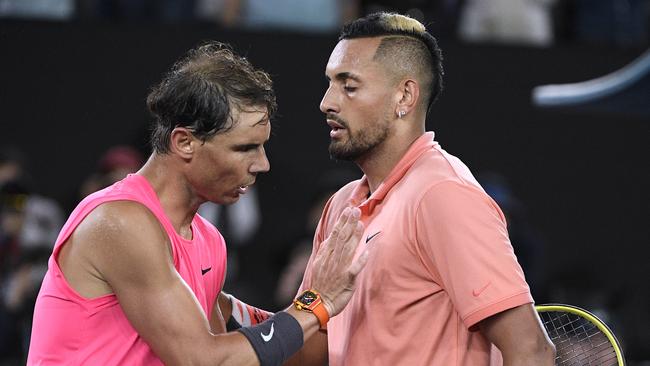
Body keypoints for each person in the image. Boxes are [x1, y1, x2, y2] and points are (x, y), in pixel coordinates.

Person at [27, 41, 369, 365]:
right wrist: (315, 304)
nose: (262, 164)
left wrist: (340, 316)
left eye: (261, 147)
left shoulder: (208, 241)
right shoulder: (119, 223)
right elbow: (202, 360)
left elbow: (244, 354)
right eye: (245, 148)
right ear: (185, 142)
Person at [298, 12, 556, 365]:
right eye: (329, 83)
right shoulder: (341, 205)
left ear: (404, 96)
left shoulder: (443, 195)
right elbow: (308, 349)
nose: (327, 102)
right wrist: (226, 312)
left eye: (349, 85)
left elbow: (531, 349)